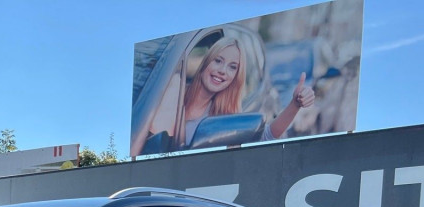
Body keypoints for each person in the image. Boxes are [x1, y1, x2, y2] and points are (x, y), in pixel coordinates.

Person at [133, 36, 316, 154]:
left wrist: (295, 105)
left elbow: (266, 135)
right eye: (218, 61)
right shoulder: (174, 89)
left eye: (232, 67)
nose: (222, 71)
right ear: (206, 62)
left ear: (235, 77)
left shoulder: (225, 116)